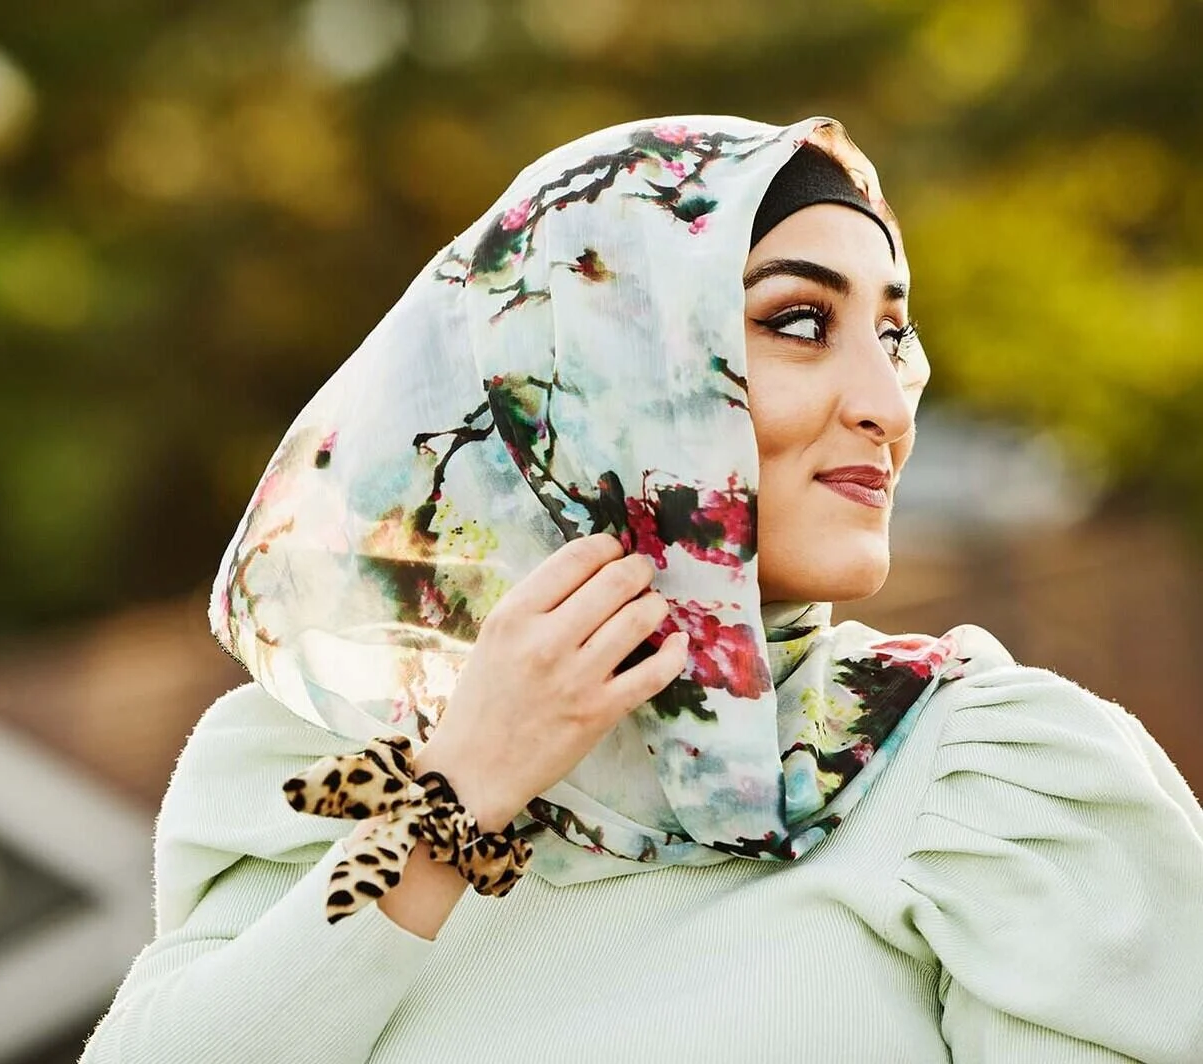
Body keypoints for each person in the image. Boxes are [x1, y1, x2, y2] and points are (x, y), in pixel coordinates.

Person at [80, 115, 1203, 1063]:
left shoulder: (987, 782)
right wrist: (457, 799)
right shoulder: (316, 758)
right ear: (590, 369)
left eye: (893, 331)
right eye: (800, 322)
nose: (887, 400)